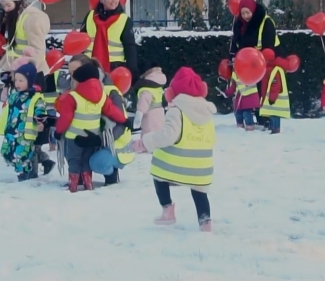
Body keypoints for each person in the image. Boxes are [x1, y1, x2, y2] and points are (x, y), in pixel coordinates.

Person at [132, 67, 215, 233]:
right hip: (202, 168)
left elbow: (167, 135)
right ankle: (205, 222)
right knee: (199, 192)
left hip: (177, 166)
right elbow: (211, 138)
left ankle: (167, 210)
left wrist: (145, 142)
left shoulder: (176, 111)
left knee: (157, 173)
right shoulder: (207, 113)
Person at [53, 58, 125, 192]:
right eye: (70, 72)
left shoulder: (109, 90)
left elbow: (120, 123)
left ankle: (109, 172)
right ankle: (86, 181)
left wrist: (100, 140)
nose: (71, 76)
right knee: (85, 158)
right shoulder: (89, 90)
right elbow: (112, 111)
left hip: (112, 142)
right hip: (93, 133)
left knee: (76, 157)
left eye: (75, 72)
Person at [228, 0, 278, 128]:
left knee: (263, 90)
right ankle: (248, 114)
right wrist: (232, 56)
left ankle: (265, 117)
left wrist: (260, 56)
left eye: (248, 13)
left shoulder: (265, 22)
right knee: (246, 91)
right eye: (243, 13)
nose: (245, 16)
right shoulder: (238, 24)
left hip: (263, 61)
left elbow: (269, 44)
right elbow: (236, 42)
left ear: (253, 10)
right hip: (245, 64)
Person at [0, 63, 46, 181]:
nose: (17, 83)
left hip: (25, 133)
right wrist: (2, 119)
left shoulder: (35, 97)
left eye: (21, 80)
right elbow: (8, 109)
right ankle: (25, 171)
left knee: (21, 155)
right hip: (11, 130)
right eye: (16, 80)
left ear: (30, 81)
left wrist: (41, 122)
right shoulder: (14, 96)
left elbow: (40, 111)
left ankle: (25, 175)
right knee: (6, 152)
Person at [81, 0, 138, 78]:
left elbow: (130, 46)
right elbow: (81, 39)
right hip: (90, 63)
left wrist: (132, 70)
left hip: (114, 65)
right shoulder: (90, 16)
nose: (114, 1)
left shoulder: (124, 19)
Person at [0, 0, 51, 81]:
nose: (6, 9)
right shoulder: (17, 18)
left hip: (29, 74)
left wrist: (25, 74)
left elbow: (37, 49)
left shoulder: (31, 19)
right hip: (17, 72)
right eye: (3, 6)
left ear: (17, 2)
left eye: (8, 5)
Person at [132, 66, 167, 136]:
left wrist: (137, 120)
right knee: (158, 134)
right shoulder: (158, 88)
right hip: (160, 114)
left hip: (150, 116)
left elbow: (142, 106)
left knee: (147, 135)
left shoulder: (146, 91)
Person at [259, 58, 290, 133]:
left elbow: (275, 86)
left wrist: (272, 98)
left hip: (274, 98)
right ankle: (273, 127)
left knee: (274, 114)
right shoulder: (270, 69)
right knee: (272, 114)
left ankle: (276, 128)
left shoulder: (273, 70)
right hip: (270, 96)